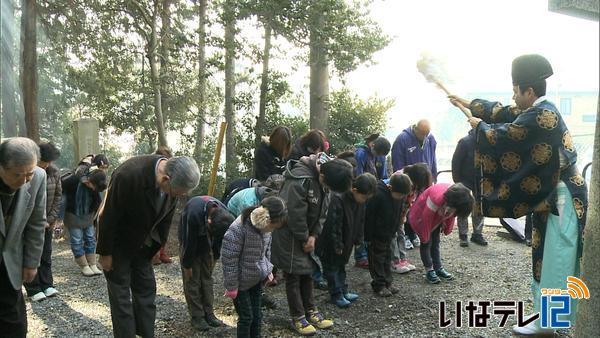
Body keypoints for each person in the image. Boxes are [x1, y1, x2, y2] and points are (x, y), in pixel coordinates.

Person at [449, 54, 588, 336]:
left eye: (516, 91)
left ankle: (549, 323)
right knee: (546, 256)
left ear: (529, 91)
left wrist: (481, 129)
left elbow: (508, 134)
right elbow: (505, 113)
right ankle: (546, 318)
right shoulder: (536, 110)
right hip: (553, 195)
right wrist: (468, 104)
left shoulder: (542, 115)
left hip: (562, 196)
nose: (513, 97)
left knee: (556, 260)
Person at [96, 155, 200, 338]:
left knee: (146, 291)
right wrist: (105, 252)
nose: (177, 197)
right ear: (165, 179)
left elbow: (165, 221)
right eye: (177, 193)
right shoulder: (129, 175)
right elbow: (108, 215)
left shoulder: (175, 180)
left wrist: (157, 248)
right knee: (121, 298)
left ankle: (146, 334)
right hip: (118, 244)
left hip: (144, 246)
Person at [271, 153, 353, 336]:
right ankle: (297, 316)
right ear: (322, 176)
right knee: (293, 275)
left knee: (308, 272)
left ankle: (311, 311)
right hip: (290, 234)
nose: (328, 189)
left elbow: (323, 211)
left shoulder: (328, 177)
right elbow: (293, 213)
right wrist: (304, 237)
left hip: (308, 236)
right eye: (328, 186)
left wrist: (314, 235)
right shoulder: (300, 179)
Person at [222, 196, 288, 338]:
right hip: (240, 284)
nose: (273, 230)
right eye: (274, 226)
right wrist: (232, 286)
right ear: (266, 218)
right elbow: (229, 258)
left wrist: (267, 272)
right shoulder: (239, 228)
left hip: (255, 280)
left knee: (257, 316)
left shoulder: (267, 229)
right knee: (247, 318)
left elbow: (266, 251)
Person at [0, 137, 47, 337]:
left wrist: (31, 262)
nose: (24, 180)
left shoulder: (38, 177)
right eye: (17, 175)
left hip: (10, 258)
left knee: (14, 323)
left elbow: (37, 223)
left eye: (29, 173)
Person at [317, 173, 377, 308]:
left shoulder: (359, 202)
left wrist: (358, 238)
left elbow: (361, 221)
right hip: (331, 242)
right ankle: (336, 294)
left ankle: (343, 290)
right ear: (354, 190)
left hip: (347, 240)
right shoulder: (338, 199)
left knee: (341, 267)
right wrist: (337, 244)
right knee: (332, 269)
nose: (365, 200)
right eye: (364, 197)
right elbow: (333, 225)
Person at [179, 196, 233, 331]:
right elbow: (188, 242)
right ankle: (197, 316)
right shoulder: (194, 214)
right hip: (189, 240)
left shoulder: (225, 214)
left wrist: (214, 257)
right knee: (193, 280)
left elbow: (220, 239)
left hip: (207, 240)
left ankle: (209, 314)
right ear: (209, 222)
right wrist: (187, 265)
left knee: (207, 278)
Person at [409, 183, 473, 284]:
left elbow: (452, 215)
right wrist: (424, 237)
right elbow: (426, 218)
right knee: (426, 243)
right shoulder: (436, 198)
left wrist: (447, 228)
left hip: (436, 219)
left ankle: (438, 267)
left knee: (436, 242)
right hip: (421, 217)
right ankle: (429, 270)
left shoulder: (455, 201)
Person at [24, 142, 62, 301]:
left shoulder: (54, 173)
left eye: (50, 161)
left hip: (47, 223)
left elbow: (58, 197)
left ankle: (47, 284)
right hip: (29, 223)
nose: (47, 164)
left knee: (46, 254)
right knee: (31, 254)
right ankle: (33, 288)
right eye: (45, 160)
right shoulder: (27, 172)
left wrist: (51, 219)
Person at [364, 172, 412, 297]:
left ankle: (388, 282)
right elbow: (369, 217)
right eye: (399, 195)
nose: (401, 197)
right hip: (376, 234)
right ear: (390, 188)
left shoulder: (399, 195)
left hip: (390, 233)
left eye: (403, 195)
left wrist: (396, 227)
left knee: (387, 258)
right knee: (377, 260)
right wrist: (368, 236)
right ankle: (379, 285)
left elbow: (398, 211)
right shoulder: (377, 194)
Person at [392, 120, 437, 250]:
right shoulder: (402, 139)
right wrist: (403, 182)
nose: (424, 137)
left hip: (424, 179)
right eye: (422, 134)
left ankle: (414, 233)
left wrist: (433, 177)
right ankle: (405, 234)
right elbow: (397, 162)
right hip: (409, 180)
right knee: (406, 206)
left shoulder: (430, 139)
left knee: (420, 207)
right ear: (416, 129)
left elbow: (433, 159)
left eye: (427, 134)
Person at [352, 134, 390, 269]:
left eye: (381, 155)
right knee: (361, 223)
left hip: (375, 192)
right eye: (376, 153)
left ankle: (369, 252)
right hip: (363, 192)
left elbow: (383, 175)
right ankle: (360, 256)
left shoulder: (381, 155)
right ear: (372, 145)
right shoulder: (361, 153)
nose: (378, 156)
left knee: (371, 224)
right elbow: (358, 176)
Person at [63, 169, 107, 276]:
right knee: (77, 240)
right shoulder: (72, 181)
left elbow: (98, 202)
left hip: (88, 214)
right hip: (73, 214)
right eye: (93, 186)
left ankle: (92, 264)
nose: (93, 189)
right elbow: (61, 193)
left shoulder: (95, 186)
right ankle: (84, 265)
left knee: (91, 239)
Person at [390, 163, 432, 274]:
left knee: (401, 233)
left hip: (402, 209)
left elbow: (410, 200)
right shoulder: (400, 177)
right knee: (393, 235)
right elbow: (394, 197)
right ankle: (394, 261)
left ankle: (403, 259)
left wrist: (403, 216)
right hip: (393, 208)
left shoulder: (416, 182)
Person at [451, 130, 488, 247]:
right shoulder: (464, 142)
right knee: (463, 208)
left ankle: (477, 234)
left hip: (480, 181)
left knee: (479, 208)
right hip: (465, 181)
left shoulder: (486, 142)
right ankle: (463, 235)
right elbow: (456, 162)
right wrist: (457, 182)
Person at [152, 146, 174, 265]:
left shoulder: (172, 171)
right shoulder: (152, 170)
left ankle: (161, 251)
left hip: (165, 204)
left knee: (164, 226)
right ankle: (153, 253)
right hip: (154, 206)